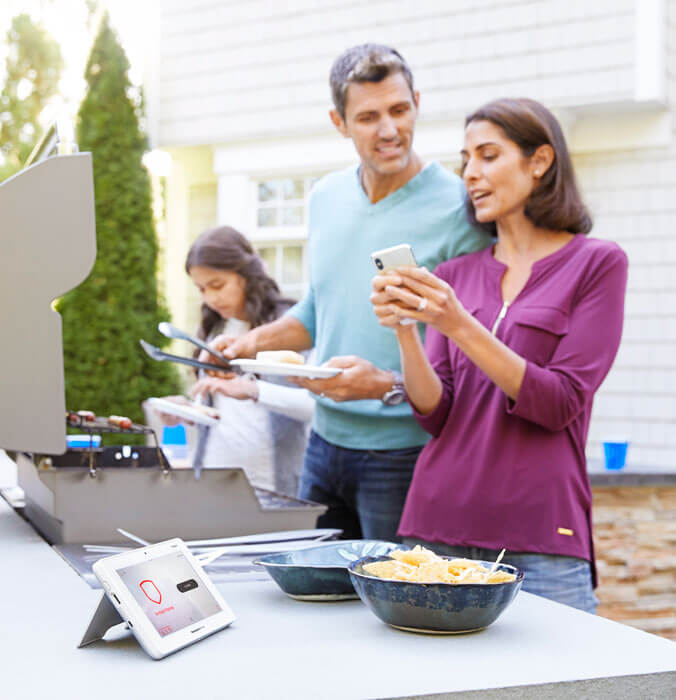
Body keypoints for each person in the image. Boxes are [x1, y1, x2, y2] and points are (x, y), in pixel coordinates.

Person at [210, 45, 490, 541]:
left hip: (406, 455)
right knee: (319, 600)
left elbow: (471, 347)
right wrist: (250, 345)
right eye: (368, 117)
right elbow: (320, 310)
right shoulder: (325, 197)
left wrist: (385, 382)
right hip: (322, 443)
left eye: (400, 110)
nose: (389, 130)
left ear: (417, 103)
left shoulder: (457, 208)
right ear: (339, 122)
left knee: (394, 607)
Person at [370, 97, 628, 611]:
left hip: (541, 535)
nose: (471, 173)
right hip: (435, 527)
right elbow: (434, 413)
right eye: (466, 160)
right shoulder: (455, 276)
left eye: (488, 155)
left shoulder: (597, 264)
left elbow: (560, 401)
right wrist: (405, 329)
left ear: (540, 161)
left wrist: (458, 323)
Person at [154, 226, 313, 496]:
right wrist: (189, 411)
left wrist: (252, 390)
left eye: (217, 285)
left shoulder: (289, 327)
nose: (211, 298)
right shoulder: (216, 328)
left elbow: (315, 407)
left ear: (246, 275)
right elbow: (224, 411)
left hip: (270, 485)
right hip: (210, 480)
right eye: (202, 289)